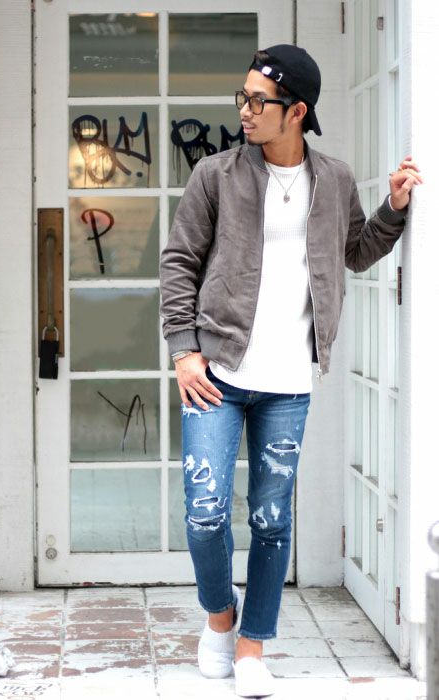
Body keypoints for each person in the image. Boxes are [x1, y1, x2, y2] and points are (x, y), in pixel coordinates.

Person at [159, 43, 422, 698]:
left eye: (259, 100)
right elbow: (179, 262)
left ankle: (253, 645)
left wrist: (393, 207)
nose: (245, 110)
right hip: (216, 375)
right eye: (243, 97)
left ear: (297, 110)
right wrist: (184, 350)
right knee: (205, 513)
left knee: (272, 520)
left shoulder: (332, 179)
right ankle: (220, 619)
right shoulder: (216, 175)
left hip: (288, 385)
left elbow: (355, 251)